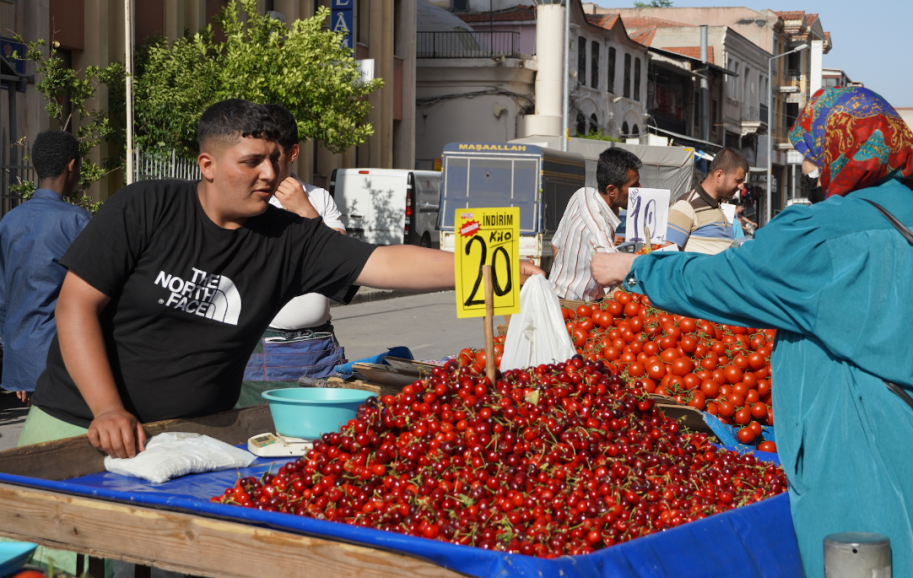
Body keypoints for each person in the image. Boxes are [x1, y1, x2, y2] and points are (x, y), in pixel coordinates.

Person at [591, 87, 913, 578]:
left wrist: (636, 267)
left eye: (818, 158)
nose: (816, 175)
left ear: (844, 152)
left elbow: (726, 280)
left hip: (876, 472)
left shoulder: (820, 233)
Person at [24, 99, 542, 460]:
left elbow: (384, 261)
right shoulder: (145, 206)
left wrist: (490, 267)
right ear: (207, 164)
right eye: (251, 162)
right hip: (77, 420)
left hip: (190, 434)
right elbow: (75, 306)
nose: (268, 175)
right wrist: (108, 408)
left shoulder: (292, 238)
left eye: (275, 160)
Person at [236, 103, 348, 407]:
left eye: (275, 157)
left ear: (293, 152)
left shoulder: (317, 198)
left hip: (320, 348)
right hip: (262, 350)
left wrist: (305, 211)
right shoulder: (243, 201)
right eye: (257, 157)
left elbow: (342, 266)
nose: (266, 169)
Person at [0, 130, 90, 408]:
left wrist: (19, 364)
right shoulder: (77, 221)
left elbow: (5, 296)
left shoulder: (9, 221)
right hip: (63, 357)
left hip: (22, 356)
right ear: (72, 165)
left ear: (36, 168)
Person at [548, 147, 641, 301]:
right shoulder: (598, 230)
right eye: (633, 186)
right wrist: (644, 285)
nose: (640, 189)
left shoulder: (582, 194)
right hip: (575, 307)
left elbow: (555, 245)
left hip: (555, 295)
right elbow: (616, 274)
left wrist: (566, 276)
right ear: (612, 190)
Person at [666, 148, 748, 254]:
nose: (741, 186)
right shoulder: (686, 206)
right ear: (719, 175)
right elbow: (666, 259)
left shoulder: (717, 206)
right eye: (738, 180)